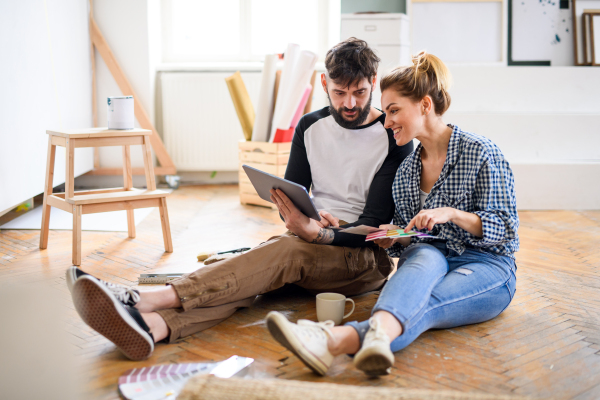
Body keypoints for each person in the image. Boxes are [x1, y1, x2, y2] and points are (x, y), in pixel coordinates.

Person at [68, 37, 414, 361]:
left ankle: (143, 298)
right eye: (340, 93)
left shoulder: (392, 135)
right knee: (252, 277)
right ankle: (154, 327)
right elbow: (292, 198)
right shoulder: (309, 127)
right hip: (310, 244)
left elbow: (373, 228)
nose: (349, 103)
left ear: (373, 79)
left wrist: (317, 234)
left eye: (360, 92)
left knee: (279, 254)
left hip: (362, 260)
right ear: (324, 84)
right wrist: (303, 219)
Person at [266, 51, 519, 377]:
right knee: (423, 255)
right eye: (385, 112)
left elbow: (508, 228)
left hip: (486, 264)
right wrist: (392, 239)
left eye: (394, 111)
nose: (386, 122)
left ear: (425, 105)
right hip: (431, 256)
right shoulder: (406, 171)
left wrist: (453, 214)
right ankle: (355, 341)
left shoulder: (479, 151)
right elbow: (408, 240)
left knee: (423, 305)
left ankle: (331, 339)